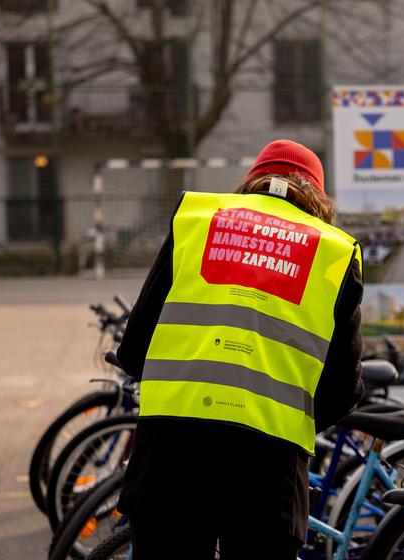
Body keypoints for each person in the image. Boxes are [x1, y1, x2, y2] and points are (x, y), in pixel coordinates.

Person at [114, 140, 365, 559]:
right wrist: (281, 414)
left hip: (170, 460)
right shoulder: (334, 252)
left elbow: (136, 346)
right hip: (268, 474)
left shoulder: (198, 221)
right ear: (320, 198)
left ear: (251, 182)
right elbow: (344, 389)